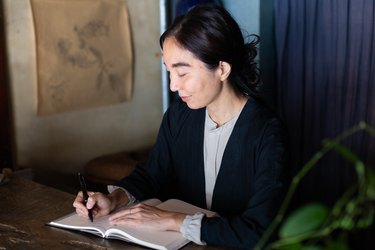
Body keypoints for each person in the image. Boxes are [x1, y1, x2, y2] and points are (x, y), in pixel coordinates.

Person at [74, 4, 288, 249]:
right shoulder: (179, 115)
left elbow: (260, 230)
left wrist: (173, 220)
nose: (173, 86)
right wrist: (114, 199)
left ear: (222, 69)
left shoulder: (267, 132)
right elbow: (153, 174)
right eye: (169, 72)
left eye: (182, 73)